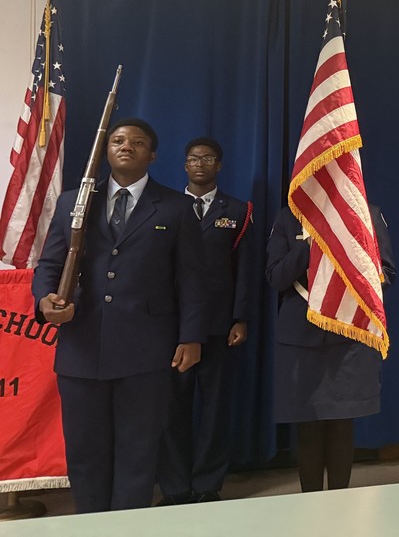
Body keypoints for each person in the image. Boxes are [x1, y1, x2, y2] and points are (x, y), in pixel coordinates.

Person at [32, 118, 206, 513]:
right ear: (107, 150)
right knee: (85, 455)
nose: (126, 146)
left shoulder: (177, 208)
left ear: (153, 155)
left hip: (145, 354)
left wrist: (191, 337)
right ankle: (91, 526)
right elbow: (49, 266)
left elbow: (193, 281)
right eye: (118, 140)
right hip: (81, 349)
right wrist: (45, 301)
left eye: (138, 142)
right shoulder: (73, 202)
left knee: (138, 455)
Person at [266, 202, 395, 493]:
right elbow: (276, 277)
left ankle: (340, 504)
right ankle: (310, 504)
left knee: (341, 423)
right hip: (301, 336)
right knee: (308, 425)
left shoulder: (365, 213)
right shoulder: (290, 216)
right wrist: (310, 244)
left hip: (348, 332)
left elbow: (386, 272)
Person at [157, 137, 255, 505]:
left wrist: (241, 318)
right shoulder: (165, 206)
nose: (199, 164)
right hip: (171, 327)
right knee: (171, 410)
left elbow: (244, 271)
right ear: (184, 165)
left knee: (214, 409)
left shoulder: (239, 211)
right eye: (193, 159)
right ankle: (175, 487)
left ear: (220, 165)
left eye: (208, 158)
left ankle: (207, 484)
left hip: (218, 328)